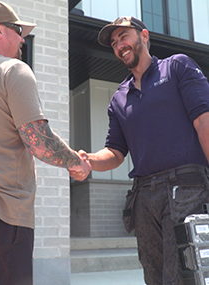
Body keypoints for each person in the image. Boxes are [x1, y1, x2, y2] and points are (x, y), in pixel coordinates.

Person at [0, 1, 91, 285]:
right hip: (0, 212)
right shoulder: (12, 70)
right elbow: (39, 143)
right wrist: (76, 163)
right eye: (17, 29)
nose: (22, 38)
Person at [70, 16, 209, 285]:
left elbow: (204, 121)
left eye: (124, 36)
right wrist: (88, 161)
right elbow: (115, 152)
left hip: (186, 188)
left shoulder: (177, 67)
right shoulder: (119, 98)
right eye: (113, 42)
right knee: (154, 277)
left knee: (183, 276)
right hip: (144, 197)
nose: (119, 44)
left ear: (143, 35)